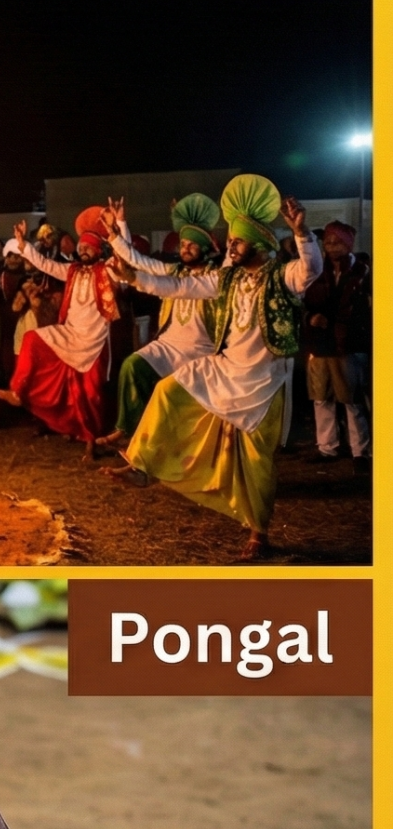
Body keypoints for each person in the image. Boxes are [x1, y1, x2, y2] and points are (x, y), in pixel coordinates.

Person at [118, 178, 321, 558]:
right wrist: (136, 279)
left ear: (259, 245)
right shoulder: (227, 279)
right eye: (230, 240)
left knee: (258, 463)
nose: (230, 246)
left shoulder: (283, 276)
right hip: (226, 367)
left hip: (265, 380)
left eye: (237, 242)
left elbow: (311, 270)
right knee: (167, 389)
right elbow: (182, 288)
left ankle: (258, 534)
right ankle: (143, 464)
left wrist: (302, 232)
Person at [102, 196, 223, 448]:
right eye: (184, 243)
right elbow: (138, 261)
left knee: (173, 394)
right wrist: (118, 231)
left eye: (192, 245)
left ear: (205, 249)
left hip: (201, 351)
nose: (186, 248)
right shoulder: (174, 271)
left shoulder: (217, 277)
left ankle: (166, 442)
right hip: (168, 345)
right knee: (132, 366)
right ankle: (129, 430)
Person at [0, 207, 120, 449]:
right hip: (70, 333)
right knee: (32, 338)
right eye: (81, 246)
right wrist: (23, 245)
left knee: (91, 393)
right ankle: (17, 391)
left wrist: (116, 230)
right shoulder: (71, 271)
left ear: (98, 250)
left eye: (89, 247)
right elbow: (45, 264)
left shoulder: (107, 272)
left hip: (94, 342)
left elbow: (123, 259)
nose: (83, 250)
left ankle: (90, 439)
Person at [303, 219, 371, 464]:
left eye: (337, 242)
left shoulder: (362, 272)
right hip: (320, 345)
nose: (331, 247)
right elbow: (303, 304)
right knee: (321, 397)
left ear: (348, 245)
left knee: (351, 399)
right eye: (328, 242)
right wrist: (311, 318)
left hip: (349, 345)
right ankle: (327, 447)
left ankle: (360, 451)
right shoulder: (316, 272)